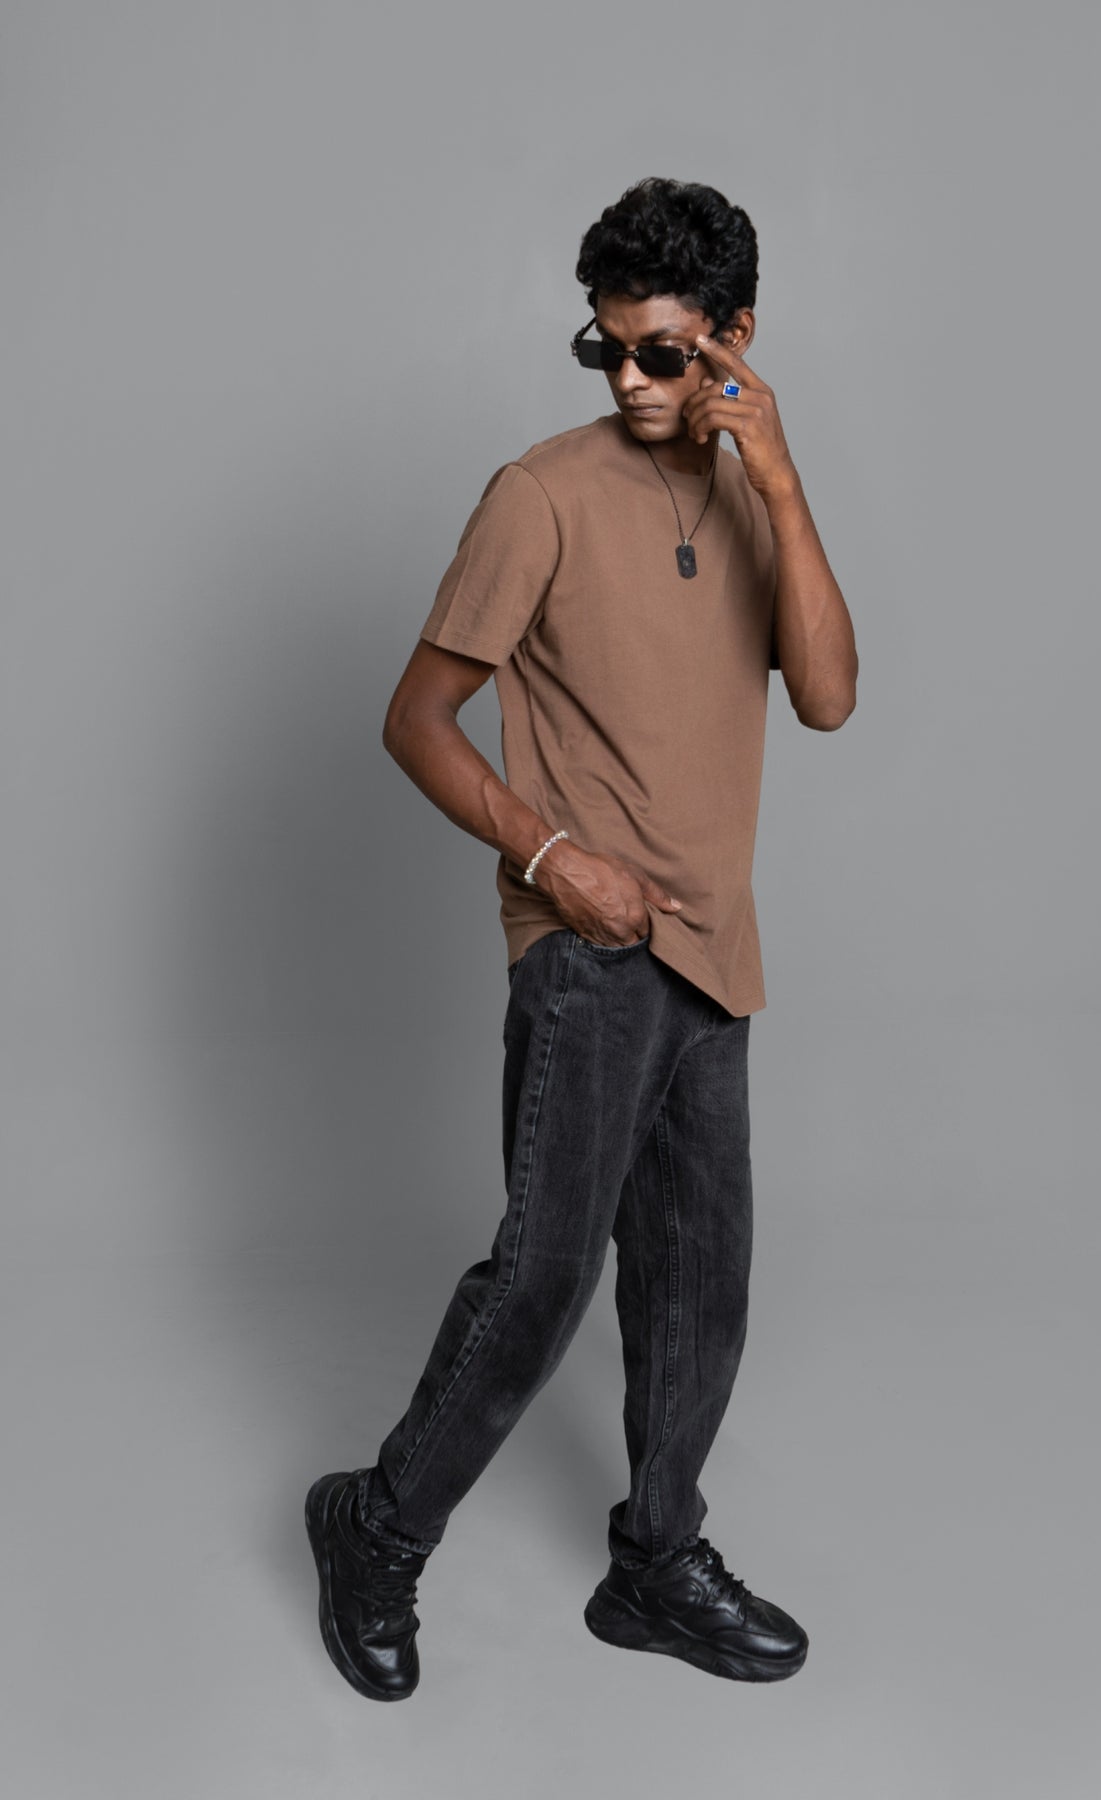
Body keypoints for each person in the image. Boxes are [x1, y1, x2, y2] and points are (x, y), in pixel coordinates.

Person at [305, 176, 858, 1701]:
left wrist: (784, 483)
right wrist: (555, 858)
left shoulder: (752, 497)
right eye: (605, 347)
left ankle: (656, 1566)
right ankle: (377, 1529)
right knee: (545, 1274)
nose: (627, 379)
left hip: (714, 951)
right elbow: (417, 718)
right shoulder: (540, 494)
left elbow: (827, 695)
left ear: (736, 339)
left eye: (662, 352)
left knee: (698, 1285)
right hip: (587, 951)